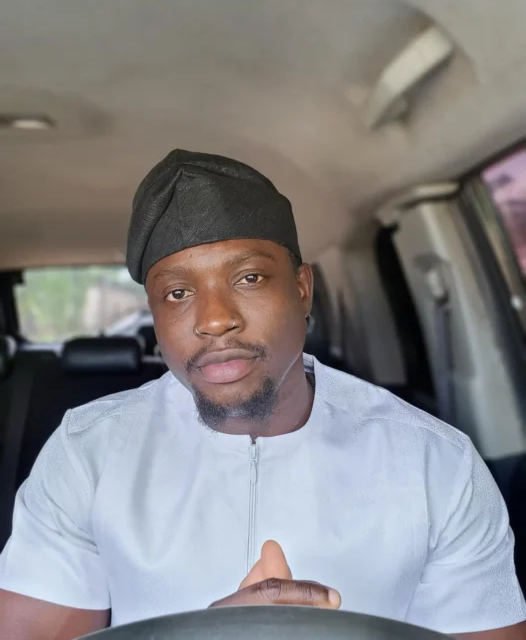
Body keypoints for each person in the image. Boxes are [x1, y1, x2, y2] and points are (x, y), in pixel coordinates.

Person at [0, 150, 525, 640]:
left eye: (249, 278)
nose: (214, 320)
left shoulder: (435, 462)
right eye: (178, 293)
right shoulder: (88, 453)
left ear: (302, 289)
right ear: (154, 315)